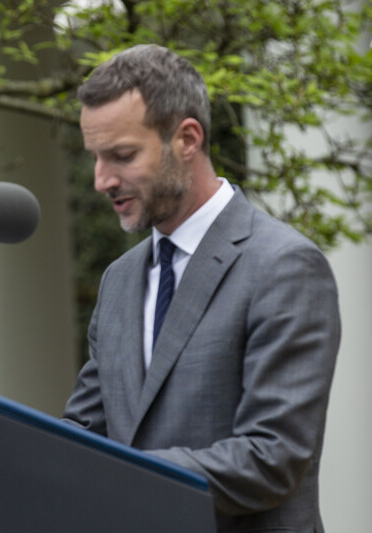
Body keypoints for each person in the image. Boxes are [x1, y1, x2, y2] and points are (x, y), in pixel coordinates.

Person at [63, 45, 341, 532]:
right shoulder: (119, 280)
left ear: (187, 138)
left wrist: (123, 475)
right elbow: (85, 432)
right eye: (96, 158)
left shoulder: (285, 266)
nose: (101, 179)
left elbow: (271, 459)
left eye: (122, 155)